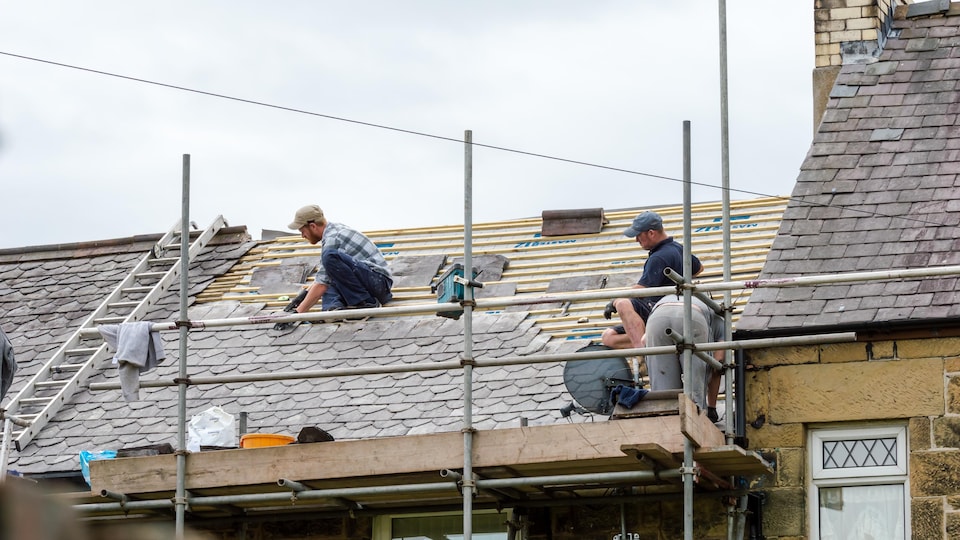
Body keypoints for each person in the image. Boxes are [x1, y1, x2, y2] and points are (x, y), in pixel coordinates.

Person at [600, 211, 703, 351]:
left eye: (638, 235)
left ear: (651, 233)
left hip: (661, 309)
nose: (636, 240)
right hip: (669, 309)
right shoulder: (678, 249)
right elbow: (698, 268)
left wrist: (614, 301)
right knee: (609, 337)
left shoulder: (659, 257)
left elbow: (641, 291)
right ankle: (650, 341)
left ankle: (644, 354)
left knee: (623, 303)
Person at [286, 205, 393, 313]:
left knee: (329, 258)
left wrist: (298, 313)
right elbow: (323, 277)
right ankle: (333, 309)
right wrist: (302, 297)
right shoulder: (332, 231)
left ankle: (366, 302)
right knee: (329, 272)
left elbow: (322, 284)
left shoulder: (333, 238)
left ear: (313, 226)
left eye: (302, 231)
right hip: (372, 282)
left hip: (379, 283)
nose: (302, 236)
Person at [642, 294, 723, 420]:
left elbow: (643, 341)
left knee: (665, 396)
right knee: (695, 392)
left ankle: (669, 426)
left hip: (657, 319)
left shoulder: (669, 297)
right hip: (693, 317)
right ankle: (697, 423)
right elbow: (717, 365)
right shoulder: (719, 318)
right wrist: (711, 407)